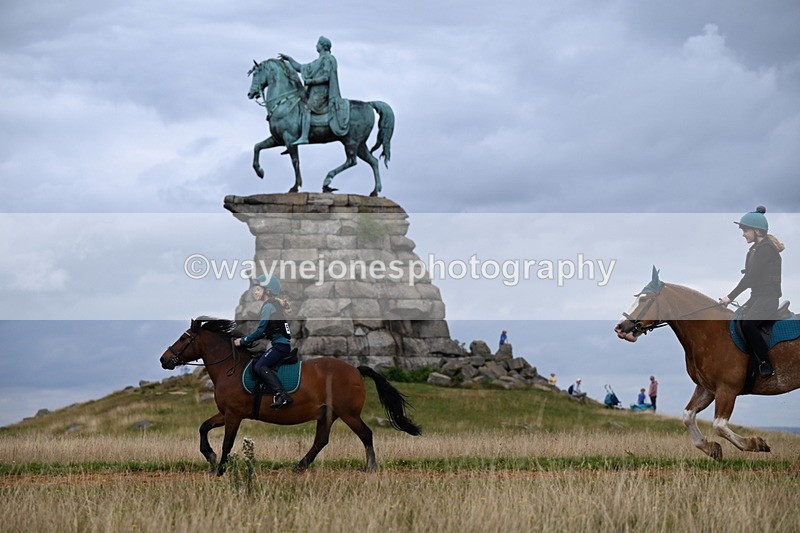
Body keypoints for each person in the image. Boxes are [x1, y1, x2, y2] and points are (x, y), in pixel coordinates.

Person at [719, 206, 784, 378]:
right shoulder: (755, 249)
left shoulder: (766, 249)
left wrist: (729, 297)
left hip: (768, 298)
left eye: (745, 230)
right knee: (737, 321)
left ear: (756, 230)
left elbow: (750, 278)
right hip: (756, 297)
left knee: (748, 324)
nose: (743, 234)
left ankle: (765, 363)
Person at [234, 274, 294, 408]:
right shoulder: (273, 305)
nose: (255, 291)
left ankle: (282, 395)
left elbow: (260, 330)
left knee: (259, 366)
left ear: (267, 291)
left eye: (258, 289)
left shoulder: (268, 307)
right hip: (281, 345)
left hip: (280, 346)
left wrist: (243, 341)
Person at [279, 36, 349, 145]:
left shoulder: (328, 59)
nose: (316, 45)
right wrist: (289, 59)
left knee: (306, 108)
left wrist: (311, 81)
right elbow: (300, 67)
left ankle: (304, 137)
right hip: (313, 92)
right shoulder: (317, 61)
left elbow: (326, 77)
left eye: (318, 44)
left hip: (322, 93)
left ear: (323, 46)